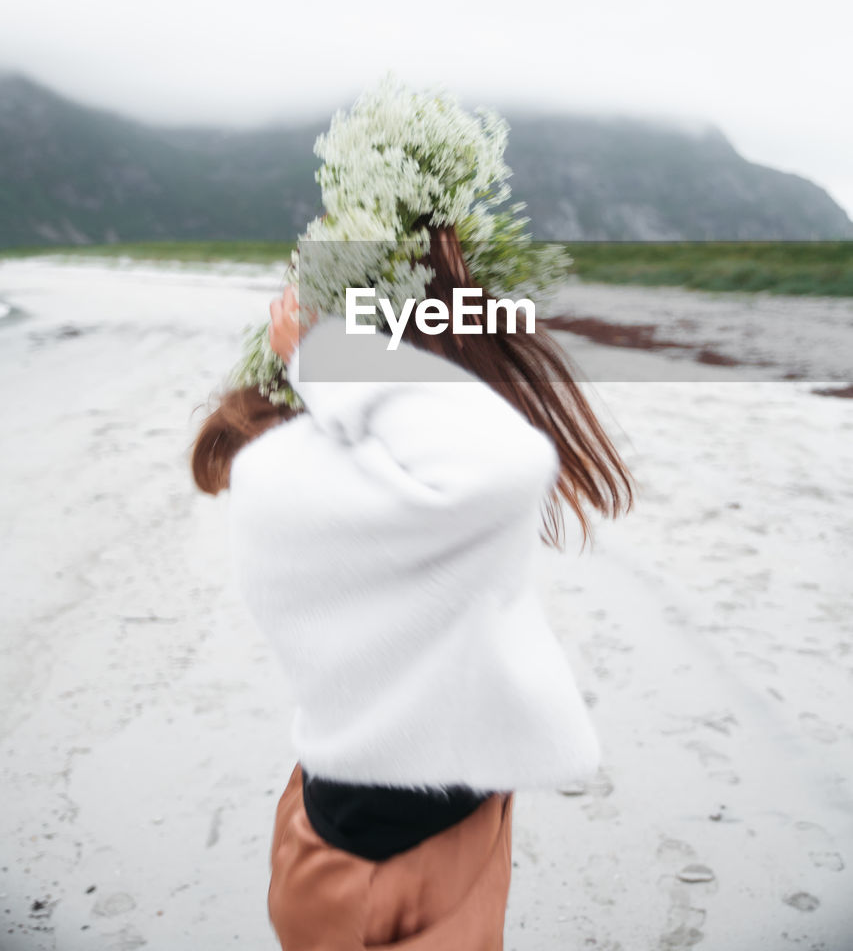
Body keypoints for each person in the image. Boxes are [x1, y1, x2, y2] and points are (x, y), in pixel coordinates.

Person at [192, 217, 634, 949]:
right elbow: (502, 457)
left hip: (433, 816)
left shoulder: (396, 466)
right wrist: (322, 350)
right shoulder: (289, 469)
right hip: (380, 856)